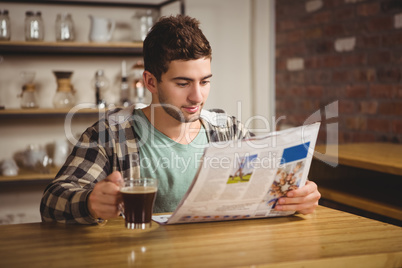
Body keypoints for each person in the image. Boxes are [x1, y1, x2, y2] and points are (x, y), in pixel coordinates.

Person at [40, 15, 321, 224]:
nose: (197, 97)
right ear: (150, 81)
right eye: (183, 83)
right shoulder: (109, 135)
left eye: (205, 81)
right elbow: (52, 200)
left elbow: (271, 186)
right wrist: (89, 202)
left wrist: (298, 196)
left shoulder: (230, 131)